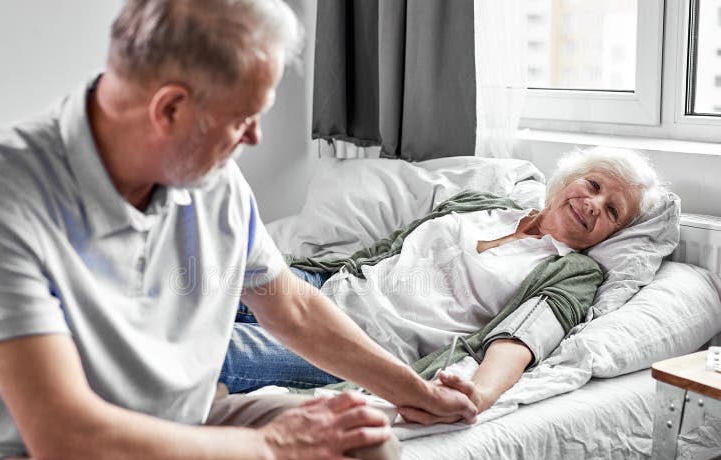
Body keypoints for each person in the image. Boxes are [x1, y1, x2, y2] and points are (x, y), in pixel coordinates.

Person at [0, 1, 479, 460]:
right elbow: (65, 442)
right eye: (244, 118)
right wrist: (269, 449)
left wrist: (416, 390)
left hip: (183, 433)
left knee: (361, 448)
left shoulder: (214, 180)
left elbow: (292, 307)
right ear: (169, 108)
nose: (254, 137)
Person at [222, 146, 665, 416]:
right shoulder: (481, 204)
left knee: (209, 347)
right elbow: (389, 248)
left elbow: (523, 336)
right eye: (592, 185)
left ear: (612, 233)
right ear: (568, 179)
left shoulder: (574, 272)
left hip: (358, 343)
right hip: (324, 289)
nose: (594, 204)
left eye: (612, 211)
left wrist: (479, 395)